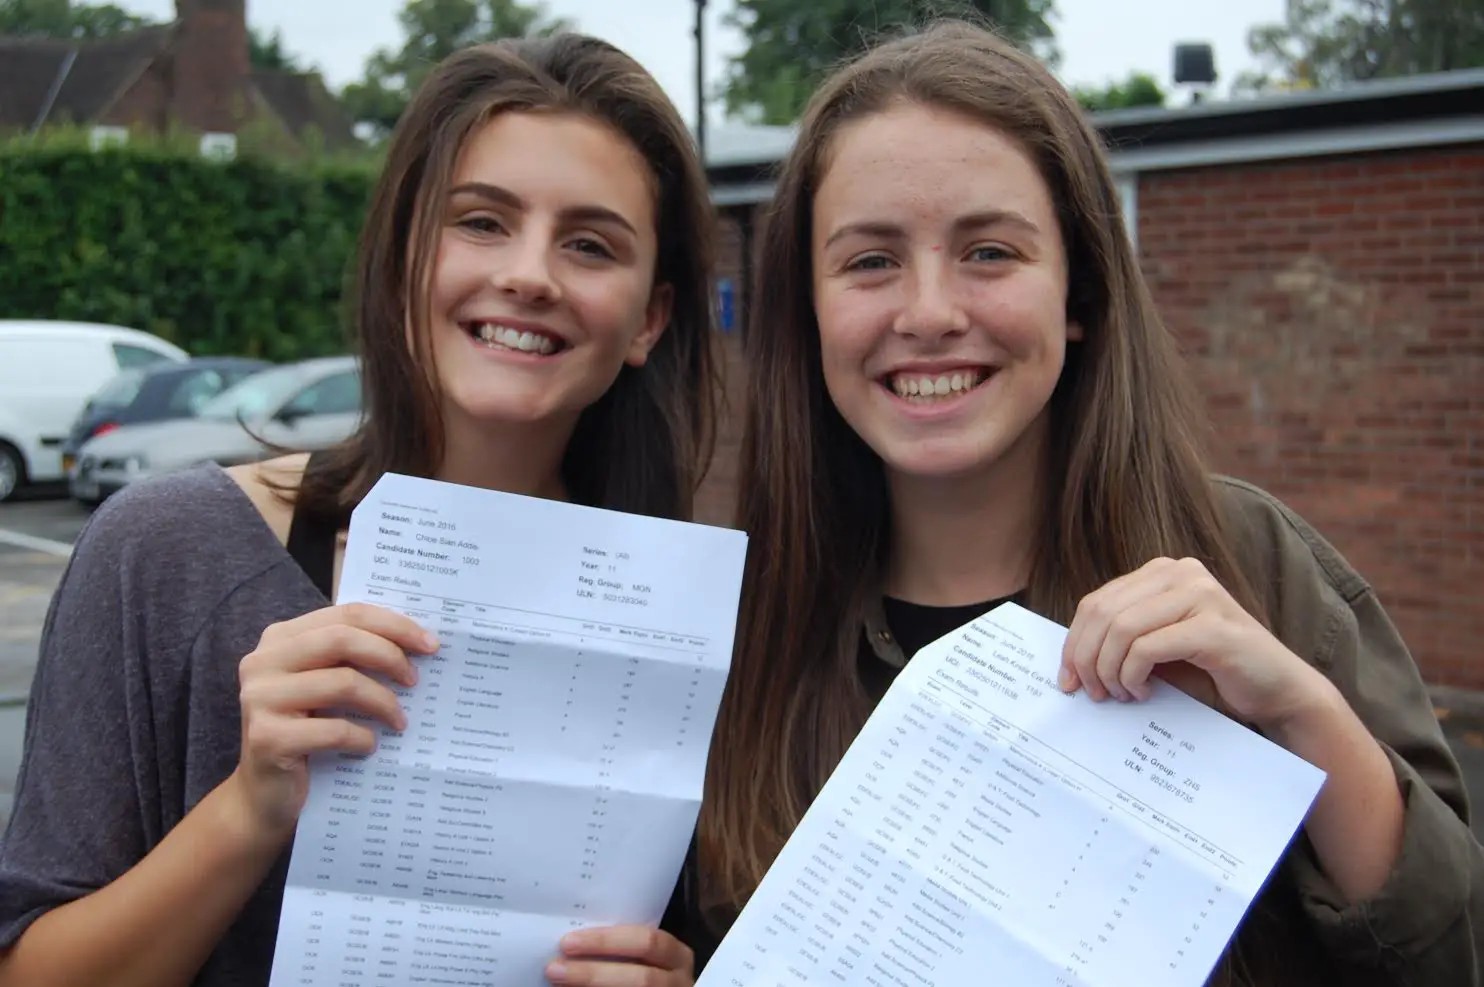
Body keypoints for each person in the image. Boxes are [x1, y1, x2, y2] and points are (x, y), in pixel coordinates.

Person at [686, 18, 1484, 986]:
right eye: (869, 261)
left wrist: (1300, 716)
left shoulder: (1249, 563)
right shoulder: (734, 636)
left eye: (988, 252)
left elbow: (1452, 951)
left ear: (1077, 294)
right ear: (803, 309)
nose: (930, 312)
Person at [0, 33, 714, 987]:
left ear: (650, 319)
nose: (532, 274)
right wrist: (251, 804)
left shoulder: (683, 625)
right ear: (404, 253)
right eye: (482, 221)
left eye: (590, 244)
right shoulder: (166, 550)